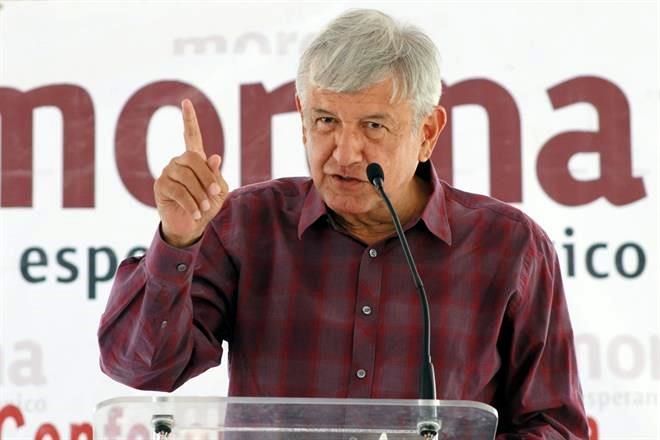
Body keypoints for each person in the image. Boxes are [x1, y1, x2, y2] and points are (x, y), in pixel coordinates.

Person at [98, 9, 588, 438]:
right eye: (326, 121)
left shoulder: (510, 247)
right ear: (301, 117)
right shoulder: (246, 226)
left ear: (427, 132)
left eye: (373, 126)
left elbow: (556, 426)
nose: (345, 153)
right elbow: (140, 368)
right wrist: (178, 239)